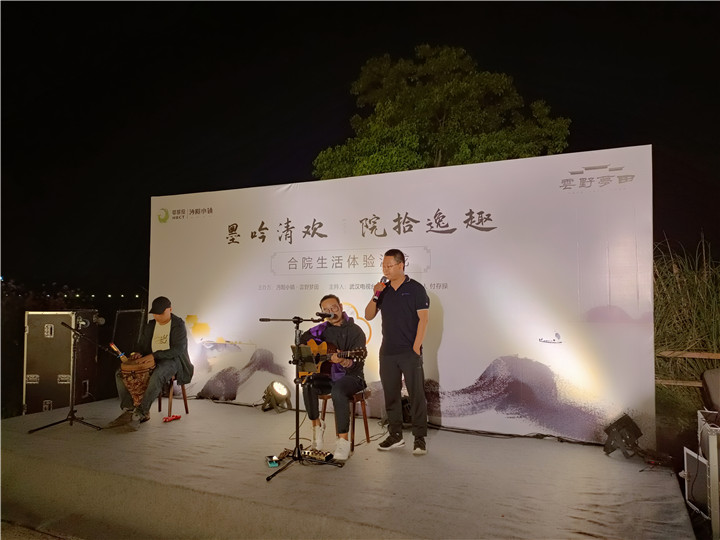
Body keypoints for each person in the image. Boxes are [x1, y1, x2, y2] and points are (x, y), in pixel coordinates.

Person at [365, 248, 430, 455]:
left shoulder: (416, 289)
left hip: (409, 352)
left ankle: (419, 438)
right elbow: (368, 315)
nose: (385, 269)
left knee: (416, 395)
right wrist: (375, 295)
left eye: (389, 265)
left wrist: (416, 347)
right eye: (383, 266)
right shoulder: (383, 290)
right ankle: (395, 435)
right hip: (387, 353)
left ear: (401, 265)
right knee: (391, 395)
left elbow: (423, 320)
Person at [109, 296, 194, 429]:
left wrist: (154, 355)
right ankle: (129, 410)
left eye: (160, 313)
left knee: (158, 374)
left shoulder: (178, 325)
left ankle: (141, 412)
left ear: (170, 310)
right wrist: (138, 353)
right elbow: (141, 344)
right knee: (121, 373)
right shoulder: (151, 325)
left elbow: (178, 349)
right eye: (155, 314)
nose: (157, 316)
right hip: (151, 358)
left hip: (173, 361)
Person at [300, 294, 367, 461]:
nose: (331, 312)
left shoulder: (355, 331)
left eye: (334, 308)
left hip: (352, 376)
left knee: (338, 390)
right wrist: (314, 350)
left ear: (341, 307)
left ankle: (343, 441)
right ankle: (317, 427)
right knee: (308, 383)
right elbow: (303, 339)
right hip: (328, 375)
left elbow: (357, 364)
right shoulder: (322, 329)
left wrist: (343, 360)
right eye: (326, 310)